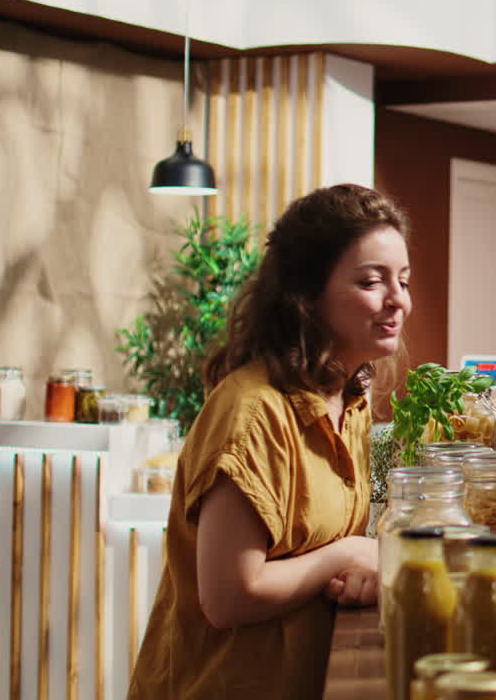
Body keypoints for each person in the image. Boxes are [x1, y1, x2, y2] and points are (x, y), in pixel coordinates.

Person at [128, 184, 412, 699]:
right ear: (307, 295)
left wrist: (356, 570)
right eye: (372, 281)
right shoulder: (252, 412)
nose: (398, 300)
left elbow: (310, 555)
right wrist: (347, 553)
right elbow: (230, 596)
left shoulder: (348, 397)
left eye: (404, 280)